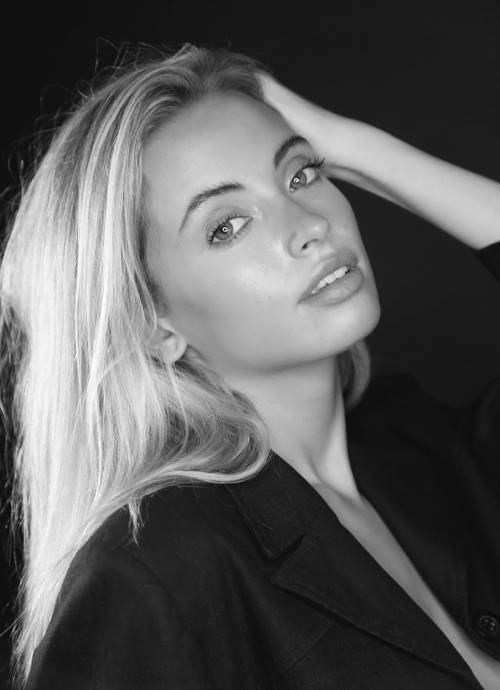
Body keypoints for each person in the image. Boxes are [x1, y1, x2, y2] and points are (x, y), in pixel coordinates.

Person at [0, 41, 499, 690]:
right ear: (152, 324)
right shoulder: (157, 576)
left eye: (301, 175)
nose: (310, 226)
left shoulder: (421, 446)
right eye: (227, 225)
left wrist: (357, 147)